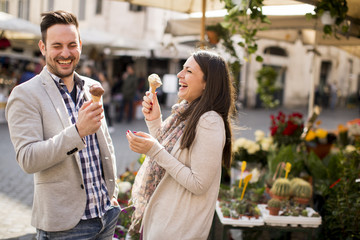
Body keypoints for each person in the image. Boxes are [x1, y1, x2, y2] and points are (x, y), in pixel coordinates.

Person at [5, 10, 120, 239]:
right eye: (57, 45)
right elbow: (28, 159)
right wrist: (78, 132)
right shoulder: (25, 95)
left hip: (106, 215)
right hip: (66, 226)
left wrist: (112, 193)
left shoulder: (92, 87)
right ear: (43, 47)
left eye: (71, 45)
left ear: (80, 46)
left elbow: (105, 144)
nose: (65, 53)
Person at [126, 50, 235, 239]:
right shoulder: (187, 112)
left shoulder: (210, 121)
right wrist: (154, 121)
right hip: (163, 224)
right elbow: (170, 154)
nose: (179, 75)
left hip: (178, 231)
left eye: (189, 71)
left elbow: (198, 184)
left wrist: (154, 150)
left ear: (207, 83)